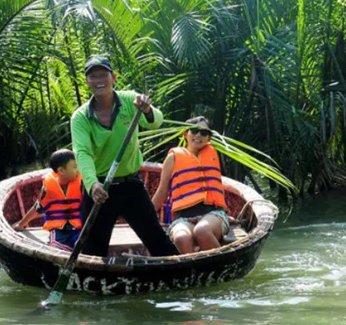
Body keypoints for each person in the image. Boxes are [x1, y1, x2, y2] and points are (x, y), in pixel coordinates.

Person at [71, 55, 179, 257]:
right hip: (100, 189)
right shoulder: (80, 117)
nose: (99, 80)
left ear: (114, 77)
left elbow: (156, 121)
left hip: (130, 186)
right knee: (93, 252)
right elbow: (82, 152)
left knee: (159, 243)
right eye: (93, 76)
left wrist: (147, 109)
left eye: (103, 74)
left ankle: (179, 278)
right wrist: (92, 184)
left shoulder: (130, 100)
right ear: (87, 82)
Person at [151, 117, 231, 254]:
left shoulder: (214, 153)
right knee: (182, 238)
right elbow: (162, 191)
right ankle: (191, 273)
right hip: (183, 218)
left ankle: (221, 268)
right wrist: (146, 217)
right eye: (194, 131)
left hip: (213, 214)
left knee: (202, 231)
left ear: (209, 138)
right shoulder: (173, 158)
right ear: (185, 133)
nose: (198, 135)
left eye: (204, 133)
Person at [13, 149, 83, 251]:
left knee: (84, 246)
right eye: (75, 167)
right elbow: (38, 207)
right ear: (61, 171)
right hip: (59, 230)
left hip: (80, 228)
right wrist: (21, 224)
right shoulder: (48, 188)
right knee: (55, 248)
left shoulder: (81, 183)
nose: (78, 170)